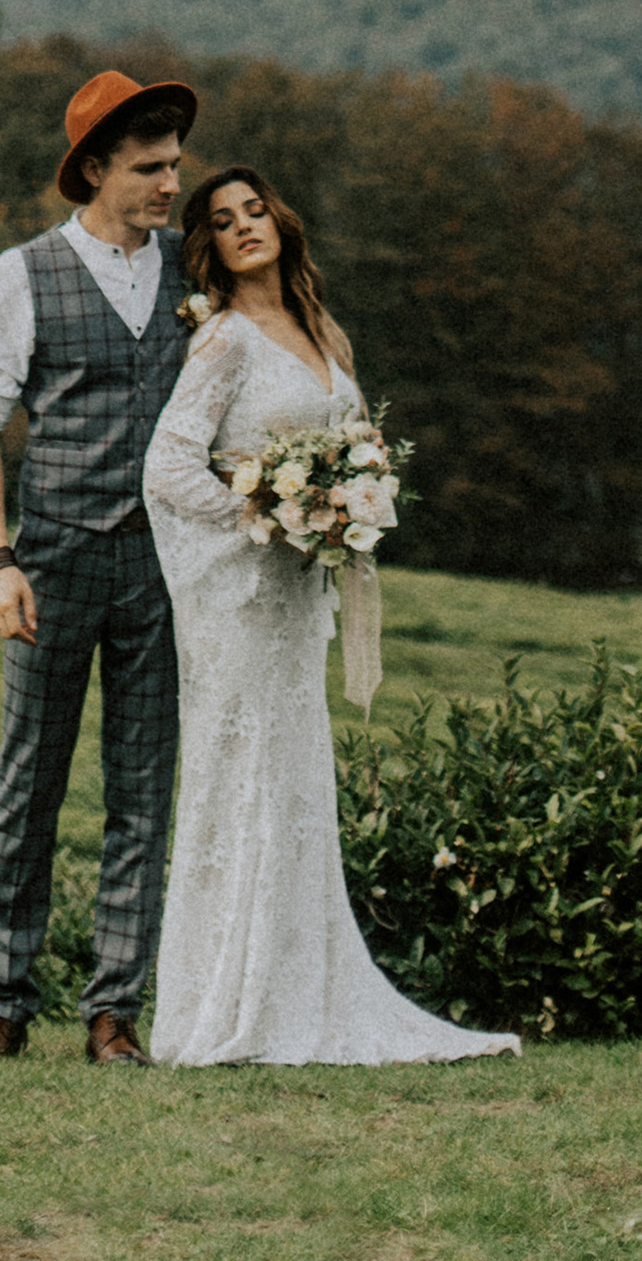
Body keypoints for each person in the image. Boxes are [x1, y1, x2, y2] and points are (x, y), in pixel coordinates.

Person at [140, 165, 519, 1066]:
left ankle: (297, 992)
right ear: (212, 250)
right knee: (242, 777)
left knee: (294, 779)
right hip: (241, 599)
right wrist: (261, 514)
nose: (243, 228)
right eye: (224, 222)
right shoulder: (224, 341)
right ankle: (226, 1006)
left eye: (254, 211)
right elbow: (168, 468)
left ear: (281, 222)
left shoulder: (323, 333)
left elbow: (345, 445)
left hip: (297, 601)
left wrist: (352, 492)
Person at [0, 66, 200, 1066]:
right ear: (94, 169)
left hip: (164, 568)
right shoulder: (24, 274)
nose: (170, 183)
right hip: (52, 559)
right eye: (149, 167)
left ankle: (114, 1014)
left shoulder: (195, 268)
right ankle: (2, 1003)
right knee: (31, 783)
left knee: (143, 791)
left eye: (176, 164)